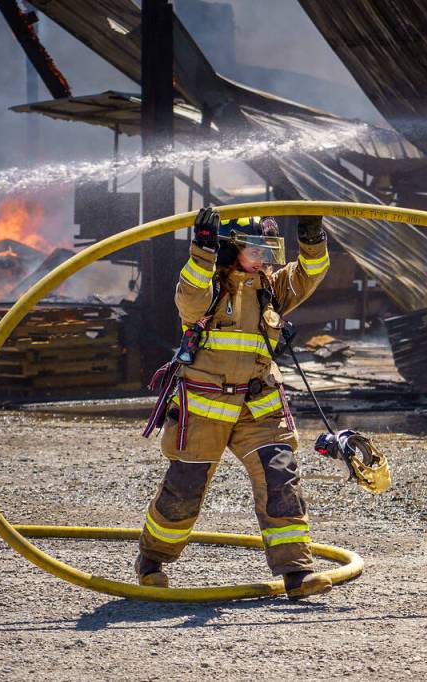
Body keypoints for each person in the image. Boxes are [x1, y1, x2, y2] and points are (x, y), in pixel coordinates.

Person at [135, 207, 332, 600]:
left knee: (281, 478)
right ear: (230, 249)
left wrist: (312, 239)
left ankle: (296, 572)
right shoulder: (207, 287)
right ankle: (152, 560)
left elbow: (308, 275)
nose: (265, 259)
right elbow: (189, 303)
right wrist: (202, 252)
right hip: (205, 409)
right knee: (184, 490)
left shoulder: (270, 287)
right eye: (256, 250)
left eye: (269, 250)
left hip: (257, 407)